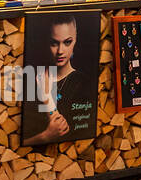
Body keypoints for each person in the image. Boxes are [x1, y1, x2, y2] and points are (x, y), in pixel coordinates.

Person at [23, 14, 94, 146]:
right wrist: (44, 136)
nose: (60, 51)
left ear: (76, 40)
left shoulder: (83, 83)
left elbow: (64, 131)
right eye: (54, 43)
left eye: (67, 42)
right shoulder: (30, 77)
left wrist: (45, 96)